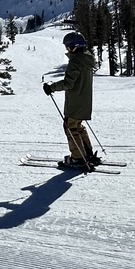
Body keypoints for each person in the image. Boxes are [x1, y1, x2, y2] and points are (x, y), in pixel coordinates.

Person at [43, 31, 99, 170]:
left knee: (70, 127)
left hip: (75, 102)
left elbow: (68, 83)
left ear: (75, 46)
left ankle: (78, 158)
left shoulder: (76, 61)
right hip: (84, 101)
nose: (67, 49)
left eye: (68, 47)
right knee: (78, 126)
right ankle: (87, 154)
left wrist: (52, 87)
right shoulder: (87, 59)